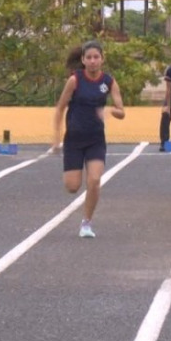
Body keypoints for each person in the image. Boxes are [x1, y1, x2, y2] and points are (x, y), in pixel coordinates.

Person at [52, 41, 125, 238]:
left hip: (95, 140)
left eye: (96, 57)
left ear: (102, 59)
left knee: (94, 180)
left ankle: (86, 223)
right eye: (89, 58)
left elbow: (122, 111)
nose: (93, 61)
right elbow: (60, 108)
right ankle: (72, 173)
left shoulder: (108, 82)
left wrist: (110, 110)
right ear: (83, 60)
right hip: (74, 140)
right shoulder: (75, 80)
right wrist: (56, 138)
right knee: (72, 187)